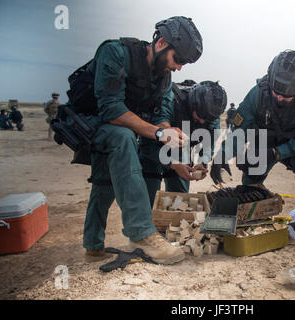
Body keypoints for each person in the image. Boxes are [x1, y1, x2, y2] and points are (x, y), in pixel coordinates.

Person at [77, 16, 203, 264]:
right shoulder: (115, 52)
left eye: (184, 64)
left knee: (105, 181)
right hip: (91, 123)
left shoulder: (163, 78)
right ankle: (141, 233)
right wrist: (157, 132)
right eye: (178, 59)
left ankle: (93, 245)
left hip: (116, 131)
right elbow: (111, 109)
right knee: (122, 138)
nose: (179, 68)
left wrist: (175, 159)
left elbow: (159, 120)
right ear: (162, 43)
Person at [210, 49, 295, 246]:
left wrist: (277, 153)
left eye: (287, 96)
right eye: (276, 92)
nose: (280, 98)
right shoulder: (258, 92)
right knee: (250, 183)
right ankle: (249, 222)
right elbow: (239, 132)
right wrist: (222, 156)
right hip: (264, 141)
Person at [139, 80, 227, 206]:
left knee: (180, 201)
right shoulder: (169, 100)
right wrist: (173, 164)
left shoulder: (211, 114)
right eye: (200, 115)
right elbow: (149, 141)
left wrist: (203, 162)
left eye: (207, 119)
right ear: (193, 104)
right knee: (147, 200)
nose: (202, 121)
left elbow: (209, 144)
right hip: (154, 146)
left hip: (181, 150)